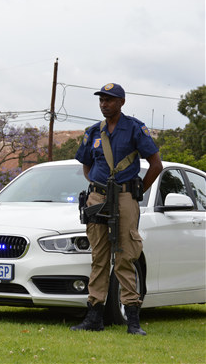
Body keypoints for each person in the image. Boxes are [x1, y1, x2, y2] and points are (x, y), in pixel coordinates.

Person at [73, 83, 163, 335]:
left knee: (125, 255)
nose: (104, 104)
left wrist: (138, 192)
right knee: (98, 257)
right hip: (98, 198)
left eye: (109, 100)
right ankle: (94, 317)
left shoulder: (135, 128)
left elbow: (156, 164)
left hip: (125, 197)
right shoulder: (93, 132)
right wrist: (96, 187)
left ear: (121, 102)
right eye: (101, 100)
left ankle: (132, 319)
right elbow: (87, 166)